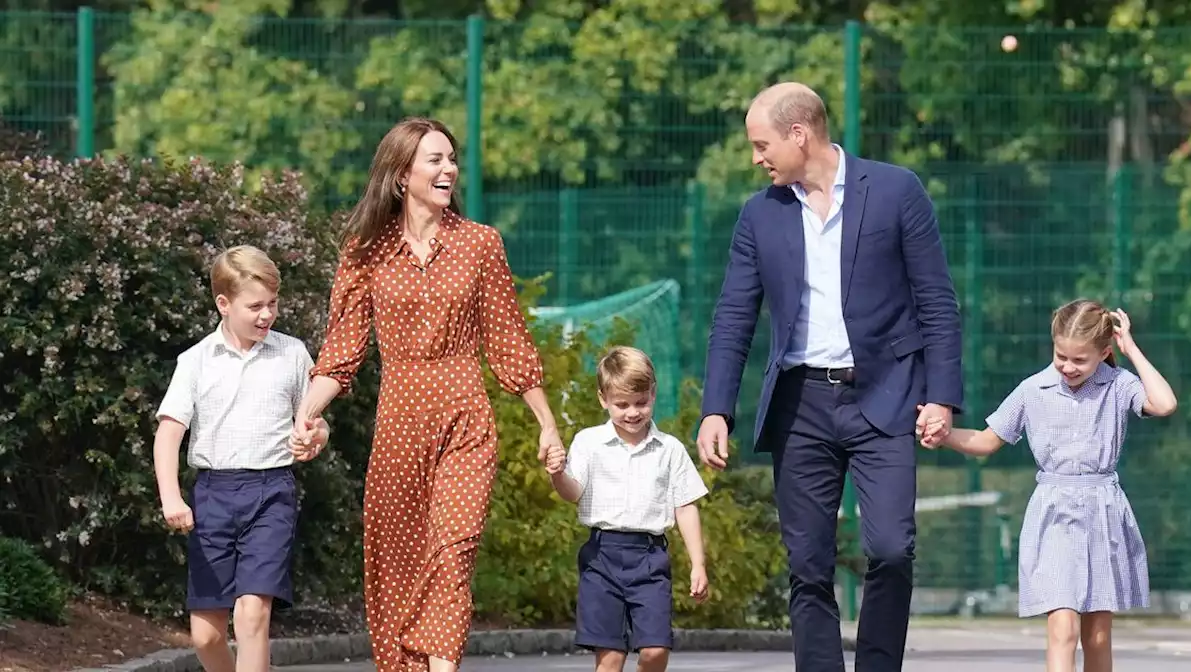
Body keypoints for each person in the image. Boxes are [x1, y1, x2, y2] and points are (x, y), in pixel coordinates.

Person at [695, 81, 964, 671]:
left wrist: (941, 396)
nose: (756, 158)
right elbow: (734, 314)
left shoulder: (896, 191)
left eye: (761, 144)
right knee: (808, 564)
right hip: (800, 405)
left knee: (893, 549)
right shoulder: (759, 215)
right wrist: (717, 408)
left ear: (800, 134)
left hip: (886, 397)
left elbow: (937, 302)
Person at [291, 117, 565, 672]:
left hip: (465, 415)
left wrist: (546, 421)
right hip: (398, 423)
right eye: (435, 160)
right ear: (400, 174)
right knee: (397, 561)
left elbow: (508, 337)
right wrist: (306, 414)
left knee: (454, 549)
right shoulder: (365, 252)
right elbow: (342, 350)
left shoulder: (480, 243)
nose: (449, 170)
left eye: (451, 159)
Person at [917, 300, 1176, 672]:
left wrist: (1130, 350)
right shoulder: (1032, 389)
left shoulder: (1119, 385)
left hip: (1103, 513)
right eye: (1061, 357)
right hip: (1053, 515)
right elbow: (986, 441)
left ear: (1104, 353)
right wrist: (944, 436)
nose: (1068, 367)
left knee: (1098, 636)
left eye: (1080, 361)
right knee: (1062, 629)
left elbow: (1164, 404)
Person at [152, 244, 331, 672]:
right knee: (206, 634)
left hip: (272, 493)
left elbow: (316, 421)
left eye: (272, 303)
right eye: (255, 306)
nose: (267, 315)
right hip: (213, 496)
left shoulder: (291, 354)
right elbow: (168, 435)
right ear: (224, 303)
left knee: (252, 613)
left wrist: (316, 437)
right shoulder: (195, 361)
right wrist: (172, 498)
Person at [542, 345, 710, 672]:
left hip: (649, 560)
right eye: (621, 405)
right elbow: (573, 492)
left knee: (655, 651)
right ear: (603, 399)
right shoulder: (589, 443)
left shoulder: (670, 449)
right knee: (610, 658)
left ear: (653, 394)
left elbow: (686, 506)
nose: (632, 412)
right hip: (601, 557)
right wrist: (557, 474)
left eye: (641, 402)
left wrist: (698, 564)